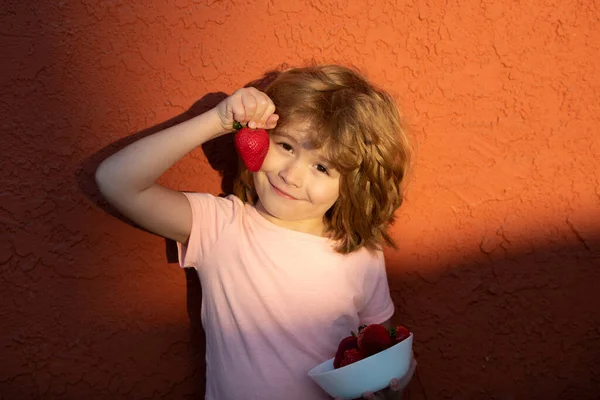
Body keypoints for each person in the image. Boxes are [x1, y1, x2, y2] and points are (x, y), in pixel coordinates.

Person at [95, 65, 415, 400]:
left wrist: (392, 385)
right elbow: (116, 181)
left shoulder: (361, 253)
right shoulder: (222, 226)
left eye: (322, 167)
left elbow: (381, 345)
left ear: (352, 187)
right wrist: (217, 121)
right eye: (287, 146)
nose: (292, 175)